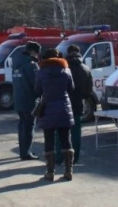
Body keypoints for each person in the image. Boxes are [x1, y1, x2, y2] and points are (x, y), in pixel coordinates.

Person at [35, 48, 75, 181]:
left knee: (49, 140)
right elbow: (71, 89)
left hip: (47, 108)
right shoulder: (66, 71)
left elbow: (37, 90)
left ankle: (50, 172)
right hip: (64, 107)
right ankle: (68, 171)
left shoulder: (41, 72)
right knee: (65, 138)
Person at [55, 44, 93, 165]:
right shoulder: (86, 69)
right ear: (79, 53)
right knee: (76, 133)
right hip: (77, 105)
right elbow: (88, 92)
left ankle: (59, 157)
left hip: (62, 104)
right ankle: (74, 158)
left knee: (60, 133)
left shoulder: (63, 68)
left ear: (68, 53)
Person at [12, 41, 41, 160]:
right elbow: (37, 84)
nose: (38, 56)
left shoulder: (16, 62)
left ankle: (23, 150)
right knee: (29, 126)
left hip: (18, 98)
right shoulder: (31, 65)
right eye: (38, 53)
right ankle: (26, 153)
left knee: (22, 125)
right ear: (33, 52)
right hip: (29, 99)